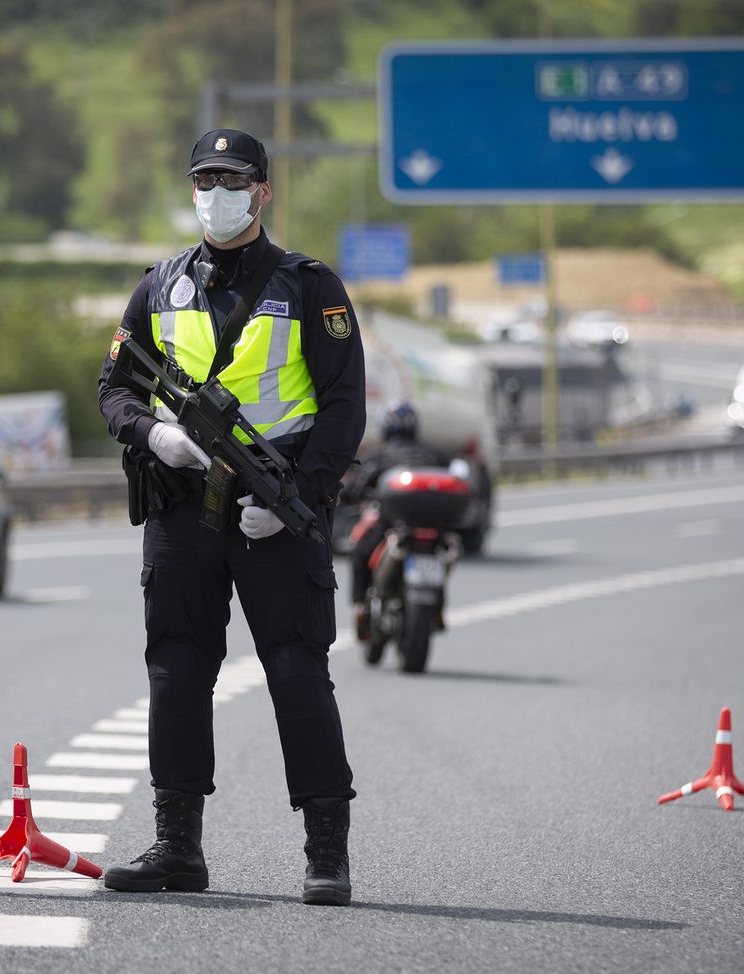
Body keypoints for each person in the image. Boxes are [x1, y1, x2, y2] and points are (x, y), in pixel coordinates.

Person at [96, 128, 365, 906]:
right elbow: (114, 386)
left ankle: (326, 853)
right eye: (205, 180)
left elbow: (345, 408)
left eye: (234, 180)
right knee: (177, 672)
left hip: (272, 504)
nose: (218, 194)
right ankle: (177, 848)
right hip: (183, 510)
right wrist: (156, 434)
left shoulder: (311, 287)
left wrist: (300, 501)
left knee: (295, 671)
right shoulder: (159, 286)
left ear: (263, 191)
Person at [344, 400, 453, 640]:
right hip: (434, 524)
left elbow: (355, 487)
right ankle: (439, 607)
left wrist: (345, 496)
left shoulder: (378, 454)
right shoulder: (436, 454)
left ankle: (360, 607)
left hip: (391, 523)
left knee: (360, 552)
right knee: (442, 553)